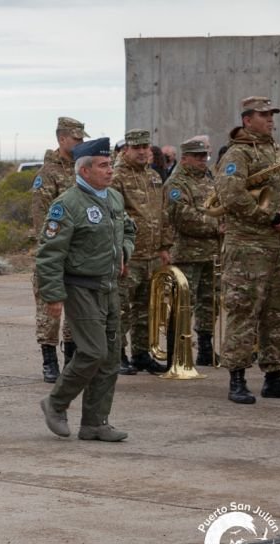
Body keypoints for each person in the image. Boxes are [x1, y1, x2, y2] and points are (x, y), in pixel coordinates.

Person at [36, 138, 136, 442]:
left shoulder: (113, 198)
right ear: (85, 170)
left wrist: (124, 252)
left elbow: (128, 229)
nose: (110, 170)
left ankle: (95, 423)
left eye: (110, 164)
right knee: (93, 352)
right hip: (81, 287)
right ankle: (56, 403)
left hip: (109, 287)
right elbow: (50, 254)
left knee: (110, 358)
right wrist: (53, 295)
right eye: (103, 165)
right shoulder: (67, 204)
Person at [214, 96, 280, 404]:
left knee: (279, 312)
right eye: (263, 115)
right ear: (247, 119)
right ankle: (237, 379)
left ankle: (274, 377)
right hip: (247, 247)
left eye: (271, 114)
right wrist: (268, 217)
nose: (270, 119)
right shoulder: (238, 153)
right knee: (243, 311)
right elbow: (230, 194)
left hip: (279, 246)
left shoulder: (276, 150)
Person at [30, 117, 87, 382]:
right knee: (49, 312)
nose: (80, 142)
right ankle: (49, 361)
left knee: (76, 311)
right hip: (53, 254)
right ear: (62, 139)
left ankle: (71, 361)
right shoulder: (47, 174)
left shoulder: (81, 170)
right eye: (76, 138)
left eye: (82, 139)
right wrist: (53, 251)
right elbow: (42, 220)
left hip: (79, 254)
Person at [111, 129, 172, 375]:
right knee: (121, 309)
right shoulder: (116, 177)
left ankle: (141, 354)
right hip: (130, 256)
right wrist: (119, 254)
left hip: (151, 256)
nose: (142, 152)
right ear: (126, 150)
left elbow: (163, 213)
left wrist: (164, 246)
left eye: (146, 147)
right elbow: (113, 218)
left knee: (147, 309)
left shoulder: (154, 176)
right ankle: (117, 355)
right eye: (137, 148)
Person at [165, 136, 220, 366]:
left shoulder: (209, 179)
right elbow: (184, 217)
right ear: (185, 158)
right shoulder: (176, 183)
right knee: (184, 303)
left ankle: (205, 347)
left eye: (204, 156)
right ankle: (177, 351)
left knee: (210, 302)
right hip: (187, 254)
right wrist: (217, 225)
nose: (202, 160)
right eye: (197, 156)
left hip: (211, 253)